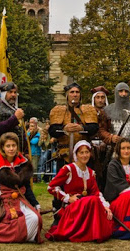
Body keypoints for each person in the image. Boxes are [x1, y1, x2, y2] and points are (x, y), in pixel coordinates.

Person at [46, 140, 114, 242]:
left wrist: (105, 206)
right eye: (81, 153)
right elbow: (51, 187)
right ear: (76, 154)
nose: (84, 155)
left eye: (87, 152)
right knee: (93, 201)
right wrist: (68, 198)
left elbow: (96, 193)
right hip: (72, 208)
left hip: (86, 208)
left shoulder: (91, 173)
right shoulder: (68, 169)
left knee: (95, 202)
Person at [0, 132, 43, 243]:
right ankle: (12, 234)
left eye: (13, 145)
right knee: (16, 221)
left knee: (36, 218)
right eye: (8, 146)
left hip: (20, 201)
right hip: (4, 203)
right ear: (3, 148)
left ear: (17, 146)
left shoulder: (23, 164)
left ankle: (20, 235)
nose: (11, 149)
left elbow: (27, 188)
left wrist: (35, 203)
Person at [48, 83, 99, 212]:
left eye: (77, 92)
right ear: (67, 94)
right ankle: (59, 210)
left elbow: (94, 128)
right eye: (72, 92)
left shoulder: (88, 109)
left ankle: (86, 208)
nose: (75, 94)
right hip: (64, 153)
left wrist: (82, 128)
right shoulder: (58, 110)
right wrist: (63, 128)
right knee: (60, 183)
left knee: (84, 184)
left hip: (83, 155)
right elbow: (53, 130)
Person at [0, 81, 26, 223]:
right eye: (10, 92)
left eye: (15, 92)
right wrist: (15, 118)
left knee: (11, 187)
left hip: (12, 153)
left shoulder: (11, 108)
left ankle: (11, 216)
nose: (13, 95)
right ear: (3, 94)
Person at [90, 85, 113, 190]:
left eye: (102, 97)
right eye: (97, 97)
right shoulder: (88, 112)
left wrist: (106, 142)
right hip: (90, 148)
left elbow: (111, 130)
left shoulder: (111, 113)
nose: (100, 100)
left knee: (105, 175)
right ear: (94, 99)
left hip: (107, 148)